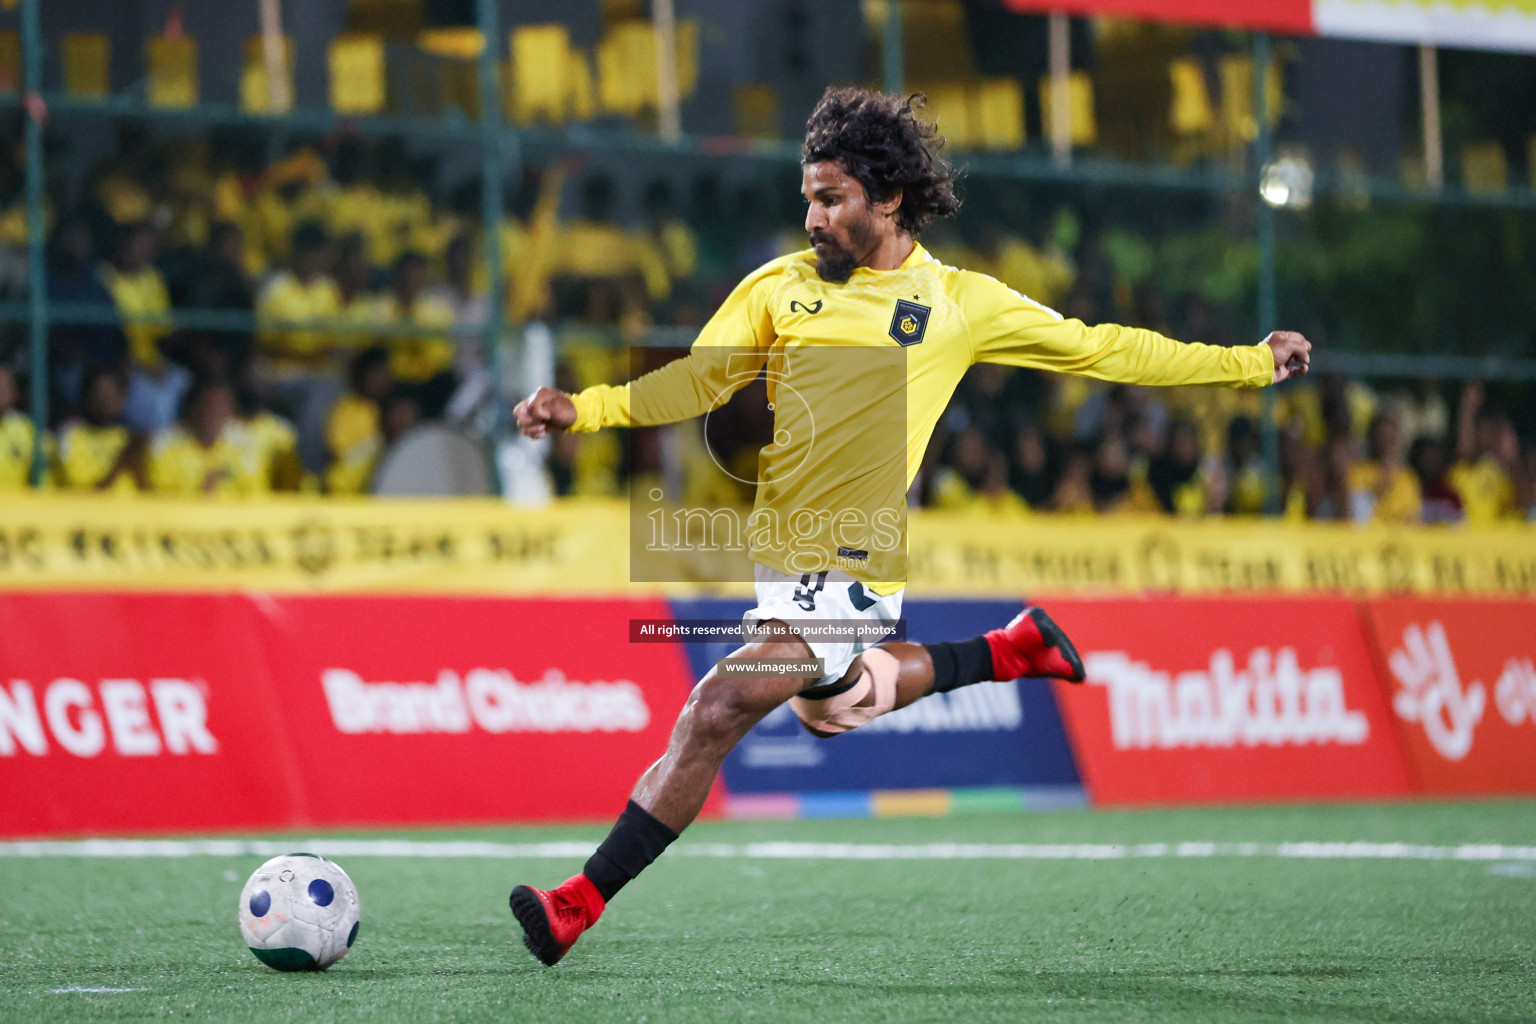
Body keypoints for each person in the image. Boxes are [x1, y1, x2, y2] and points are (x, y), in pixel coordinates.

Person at [507, 87, 1312, 967]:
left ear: (887, 200)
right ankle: (1009, 651)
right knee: (835, 706)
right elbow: (698, 381)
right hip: (779, 558)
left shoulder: (959, 304)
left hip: (855, 568)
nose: (810, 216)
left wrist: (1248, 365)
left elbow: (1104, 347)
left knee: (717, 705)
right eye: (807, 196)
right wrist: (583, 410)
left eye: (831, 198)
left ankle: (577, 902)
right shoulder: (780, 288)